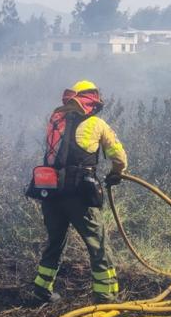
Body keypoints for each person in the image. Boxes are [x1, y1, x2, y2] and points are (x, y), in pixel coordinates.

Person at [31, 80, 128, 304]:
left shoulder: (56, 120)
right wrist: (116, 173)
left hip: (51, 193)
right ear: (91, 100)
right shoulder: (97, 124)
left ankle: (41, 290)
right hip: (79, 195)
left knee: (55, 241)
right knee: (98, 245)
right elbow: (119, 158)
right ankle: (106, 297)